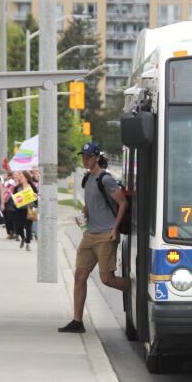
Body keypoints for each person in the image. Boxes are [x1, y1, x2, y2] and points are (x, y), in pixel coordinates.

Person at [58, 142, 130, 334]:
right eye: (83, 156)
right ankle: (77, 321)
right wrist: (84, 213)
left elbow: (123, 204)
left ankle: (136, 289)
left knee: (107, 279)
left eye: (89, 156)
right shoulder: (88, 179)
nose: (85, 159)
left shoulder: (105, 179)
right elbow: (91, 203)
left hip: (106, 235)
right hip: (89, 234)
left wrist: (115, 229)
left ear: (97, 158)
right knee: (79, 276)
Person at [12, 170, 37, 251]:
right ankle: (23, 237)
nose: (20, 177)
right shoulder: (17, 187)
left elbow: (37, 197)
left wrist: (35, 196)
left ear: (26, 177)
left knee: (28, 226)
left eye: (21, 176)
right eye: (19, 176)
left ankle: (28, 244)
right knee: (19, 227)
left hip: (31, 208)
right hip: (20, 209)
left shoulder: (32, 186)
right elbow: (14, 198)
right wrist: (15, 203)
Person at [2, 170, 17, 239]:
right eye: (14, 175)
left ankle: (14, 232)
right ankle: (10, 232)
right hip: (6, 200)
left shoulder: (14, 182)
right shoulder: (6, 182)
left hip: (13, 200)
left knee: (12, 216)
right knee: (6, 216)